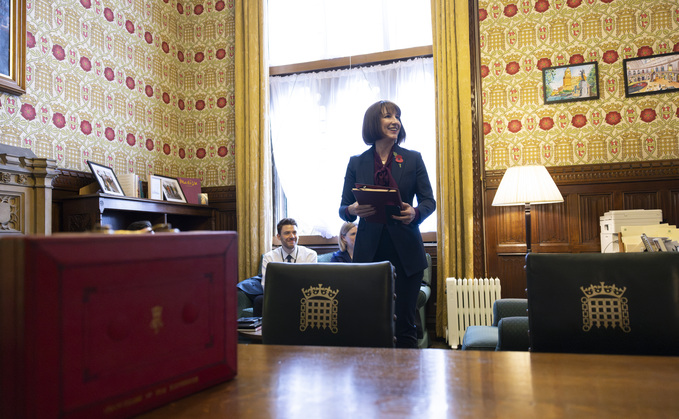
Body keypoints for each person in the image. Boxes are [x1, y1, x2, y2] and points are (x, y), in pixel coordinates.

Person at [339, 100, 436, 348]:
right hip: (369, 252)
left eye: (397, 116)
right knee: (370, 322)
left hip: (406, 251)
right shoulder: (356, 162)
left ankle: (407, 384)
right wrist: (352, 209)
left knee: (406, 324)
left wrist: (414, 213)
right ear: (374, 122)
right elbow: (344, 209)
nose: (395, 121)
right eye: (387, 116)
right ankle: (373, 381)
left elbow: (429, 201)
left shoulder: (413, 159)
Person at [253, 218, 317, 316]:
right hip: (278, 297)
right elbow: (266, 285)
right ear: (279, 237)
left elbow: (311, 283)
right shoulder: (269, 257)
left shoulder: (310, 255)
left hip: (303, 297)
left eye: (294, 232)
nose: (292, 236)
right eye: (287, 233)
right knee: (259, 300)